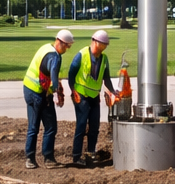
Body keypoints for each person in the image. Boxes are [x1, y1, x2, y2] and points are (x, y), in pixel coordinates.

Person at [22, 29, 73, 167]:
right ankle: (48, 158)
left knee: (33, 126)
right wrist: (56, 92)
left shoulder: (45, 47)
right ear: (60, 42)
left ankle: (30, 159)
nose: (67, 49)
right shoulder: (54, 57)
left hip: (28, 88)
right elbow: (54, 75)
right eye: (67, 46)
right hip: (40, 94)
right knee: (50, 127)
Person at [67, 29, 117, 166]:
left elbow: (106, 78)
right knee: (81, 125)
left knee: (94, 126)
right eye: (103, 44)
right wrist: (73, 91)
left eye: (105, 45)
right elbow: (71, 74)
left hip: (94, 96)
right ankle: (76, 156)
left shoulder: (104, 58)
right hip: (81, 95)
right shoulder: (81, 55)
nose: (104, 47)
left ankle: (91, 153)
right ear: (95, 42)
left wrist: (113, 91)